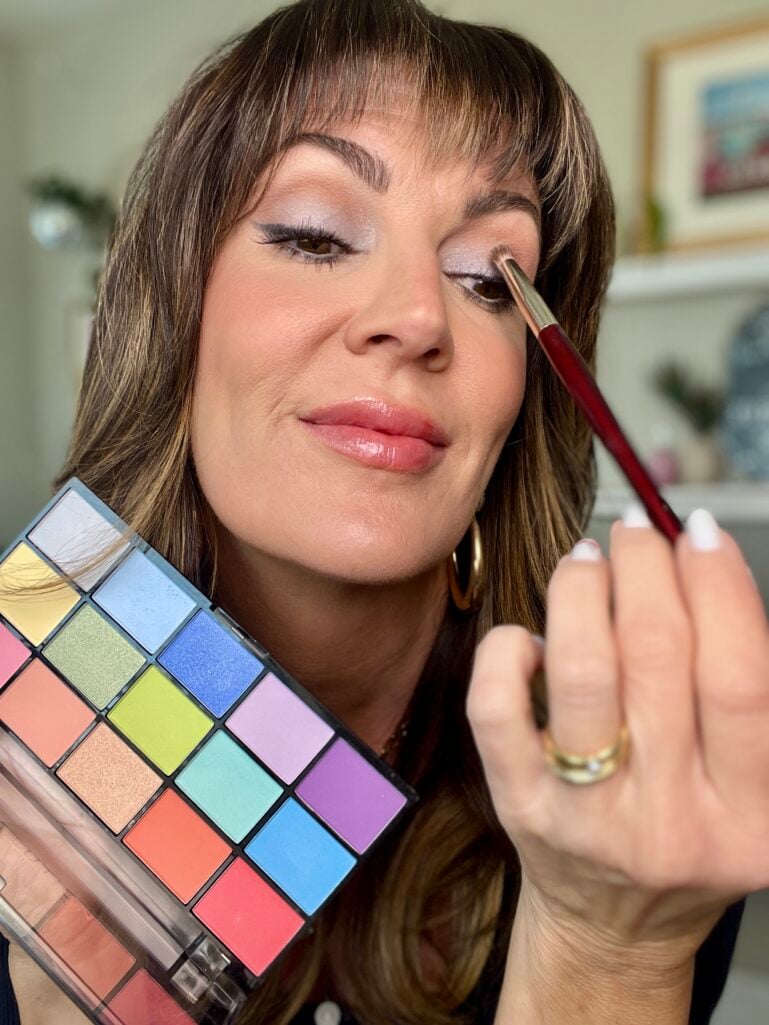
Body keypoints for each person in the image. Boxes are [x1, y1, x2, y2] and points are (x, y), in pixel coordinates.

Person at [2, 0, 765, 1022]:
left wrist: (608, 951)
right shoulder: (26, 691)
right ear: (174, 308)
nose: (416, 317)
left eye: (487, 277)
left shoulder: (620, 802)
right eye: (316, 238)